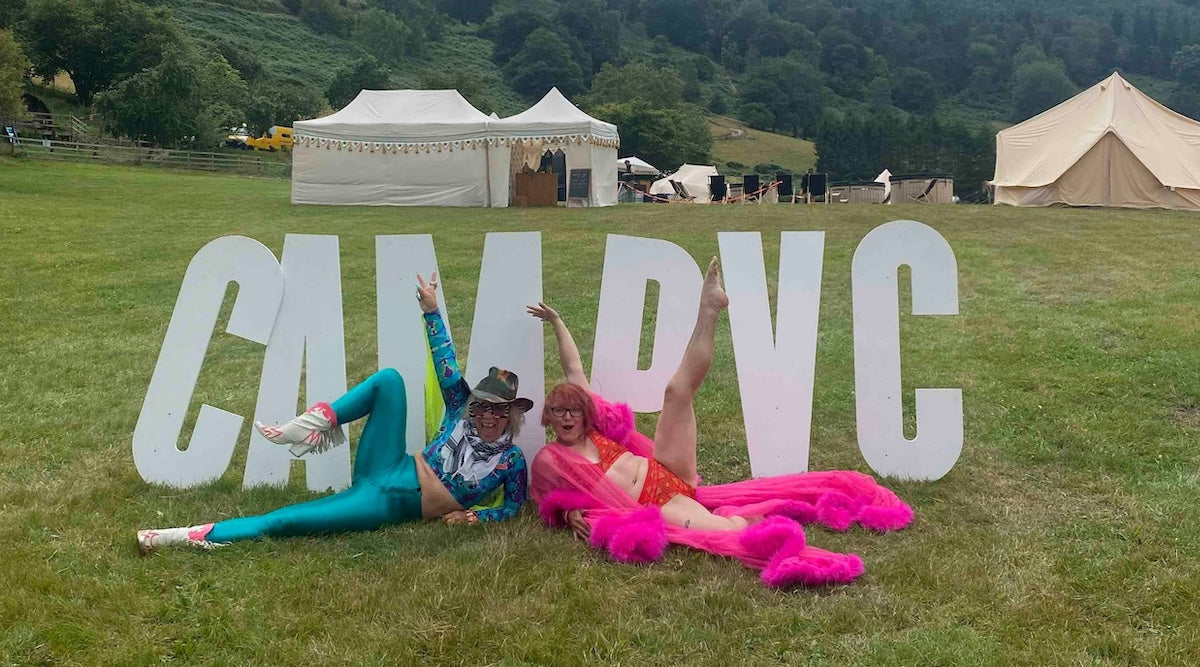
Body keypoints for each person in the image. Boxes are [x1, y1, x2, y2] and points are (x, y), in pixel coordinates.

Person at [528, 258, 914, 588]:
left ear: (584, 412)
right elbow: (548, 499)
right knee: (728, 533)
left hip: (666, 470)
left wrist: (557, 321)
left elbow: (574, 368)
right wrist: (568, 513)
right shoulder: (552, 460)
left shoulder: (596, 428)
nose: (567, 417)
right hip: (656, 504)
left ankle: (710, 308)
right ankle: (755, 526)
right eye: (559, 411)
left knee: (676, 391)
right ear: (548, 417)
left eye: (573, 410)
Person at [137, 273, 532, 552]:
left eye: (497, 412)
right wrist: (431, 310)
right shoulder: (459, 407)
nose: (486, 416)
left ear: (511, 416)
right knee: (390, 381)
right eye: (482, 406)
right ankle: (310, 425)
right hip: (390, 463)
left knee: (285, 522)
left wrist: (474, 518)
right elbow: (444, 358)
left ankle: (176, 536)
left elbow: (512, 508)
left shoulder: (510, 461)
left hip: (385, 502)